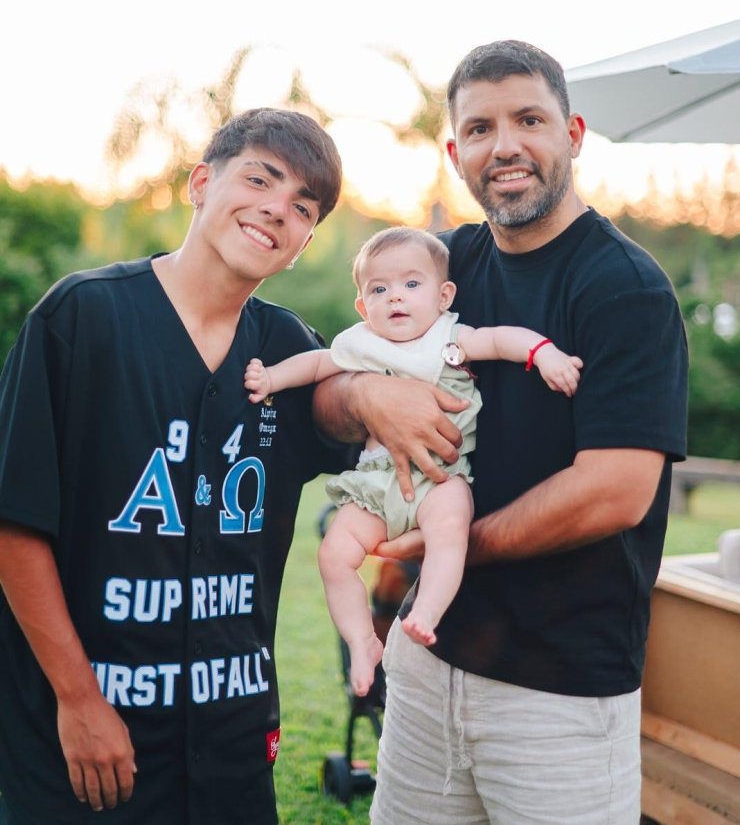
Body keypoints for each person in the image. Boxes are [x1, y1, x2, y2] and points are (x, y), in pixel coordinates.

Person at [313, 41, 689, 825]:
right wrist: (370, 394)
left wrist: (450, 544)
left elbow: (616, 492)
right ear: (457, 154)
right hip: (427, 667)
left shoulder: (626, 289)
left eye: (529, 120)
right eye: (480, 128)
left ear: (573, 134)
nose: (505, 145)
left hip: (560, 694)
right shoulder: (438, 267)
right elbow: (328, 395)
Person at [0, 108, 346, 824]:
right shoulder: (82, 318)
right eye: (260, 180)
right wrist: (78, 699)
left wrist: (383, 393)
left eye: (302, 207)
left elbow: (357, 416)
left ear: (304, 243)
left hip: (233, 744)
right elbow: (14, 524)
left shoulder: (291, 351)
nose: (277, 209)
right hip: (89, 742)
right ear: (200, 183)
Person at [244, 226, 582, 696]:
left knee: (450, 530)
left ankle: (426, 611)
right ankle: (362, 640)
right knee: (334, 555)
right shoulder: (362, 343)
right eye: (379, 290)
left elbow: (501, 340)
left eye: (411, 284)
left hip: (440, 478)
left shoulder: (450, 338)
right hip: (376, 484)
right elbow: (318, 364)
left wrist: (542, 354)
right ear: (363, 306)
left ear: (444, 296)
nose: (395, 297)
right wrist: (272, 378)